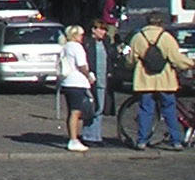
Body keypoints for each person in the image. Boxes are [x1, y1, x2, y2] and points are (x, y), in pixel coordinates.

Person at [126, 10, 191, 151]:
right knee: (169, 110)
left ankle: (142, 141)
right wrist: (190, 63)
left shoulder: (138, 37)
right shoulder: (166, 37)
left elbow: (131, 60)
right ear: (161, 23)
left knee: (145, 110)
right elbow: (176, 58)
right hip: (165, 80)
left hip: (144, 80)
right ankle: (176, 141)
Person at [58, 24, 96, 152]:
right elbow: (81, 65)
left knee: (72, 111)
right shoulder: (76, 47)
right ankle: (73, 140)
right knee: (76, 111)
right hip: (77, 82)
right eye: (81, 34)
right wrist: (89, 75)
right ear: (75, 35)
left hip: (67, 82)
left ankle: (73, 138)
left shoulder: (65, 46)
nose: (82, 37)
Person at [80, 20, 117, 145]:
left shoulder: (106, 42)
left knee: (100, 108)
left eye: (105, 30)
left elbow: (111, 58)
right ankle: (88, 135)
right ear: (93, 29)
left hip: (103, 80)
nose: (103, 32)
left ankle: (96, 136)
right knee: (91, 108)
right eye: (101, 29)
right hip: (91, 80)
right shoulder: (87, 43)